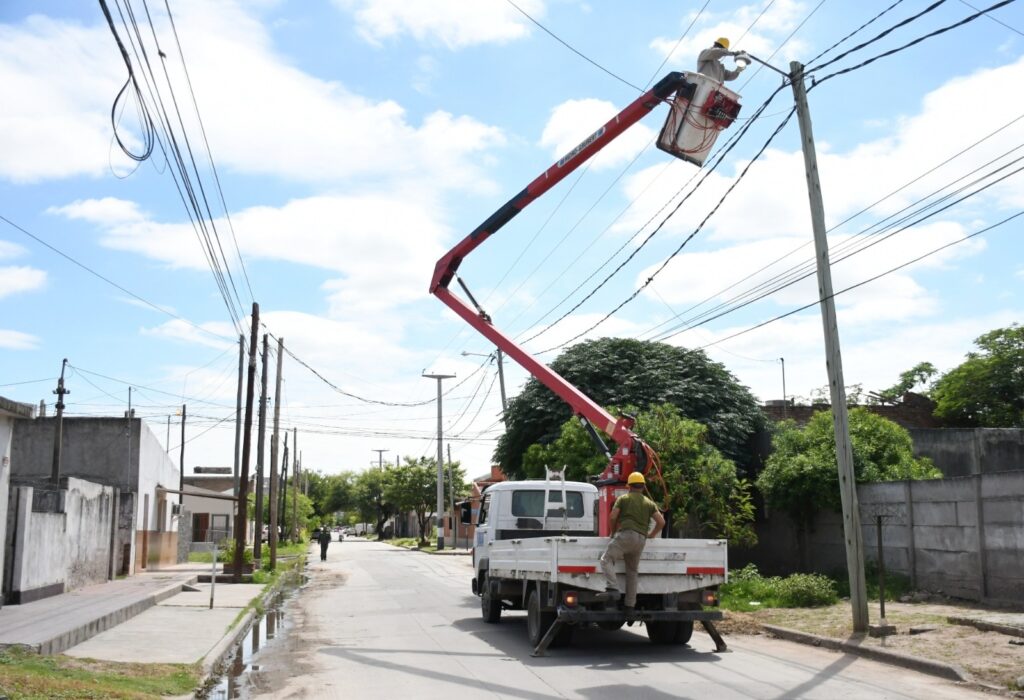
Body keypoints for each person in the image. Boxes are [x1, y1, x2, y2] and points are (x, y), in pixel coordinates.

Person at [598, 471, 666, 615]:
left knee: (606, 559)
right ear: (642, 486)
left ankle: (612, 588)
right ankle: (629, 606)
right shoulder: (649, 503)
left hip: (626, 535)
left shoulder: (623, 499)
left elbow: (612, 517)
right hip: (641, 539)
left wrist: (612, 533)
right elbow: (661, 522)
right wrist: (651, 535)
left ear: (629, 486)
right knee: (632, 572)